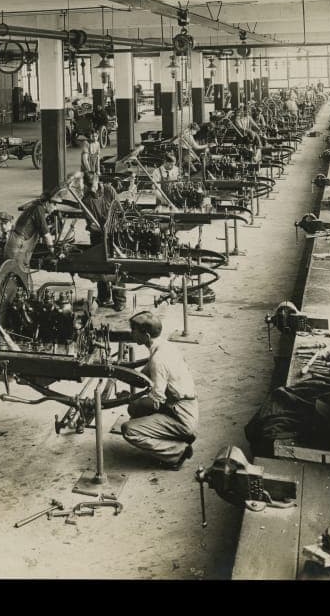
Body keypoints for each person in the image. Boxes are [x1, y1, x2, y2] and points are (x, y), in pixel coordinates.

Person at [120, 311, 198, 470]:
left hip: (181, 417)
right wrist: (115, 370)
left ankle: (177, 452)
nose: (131, 333)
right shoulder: (164, 346)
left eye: (133, 330)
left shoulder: (158, 360)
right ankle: (174, 439)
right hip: (184, 407)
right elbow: (142, 378)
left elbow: (156, 401)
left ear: (146, 336)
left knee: (128, 429)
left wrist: (131, 400)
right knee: (136, 409)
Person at [80, 171, 126, 310]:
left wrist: (111, 225)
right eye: (89, 187)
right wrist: (95, 227)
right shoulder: (85, 200)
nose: (92, 189)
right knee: (99, 265)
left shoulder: (109, 190)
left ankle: (120, 300)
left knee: (118, 266)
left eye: (93, 185)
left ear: (98, 181)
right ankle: (104, 297)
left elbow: (119, 211)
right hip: (97, 235)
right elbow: (90, 222)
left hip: (114, 232)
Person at [5, 192, 57, 269]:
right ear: (46, 203)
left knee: (21, 273)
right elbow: (46, 235)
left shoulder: (35, 206)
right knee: (18, 273)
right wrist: (53, 250)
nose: (55, 208)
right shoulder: (38, 210)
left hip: (15, 243)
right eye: (54, 204)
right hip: (18, 247)